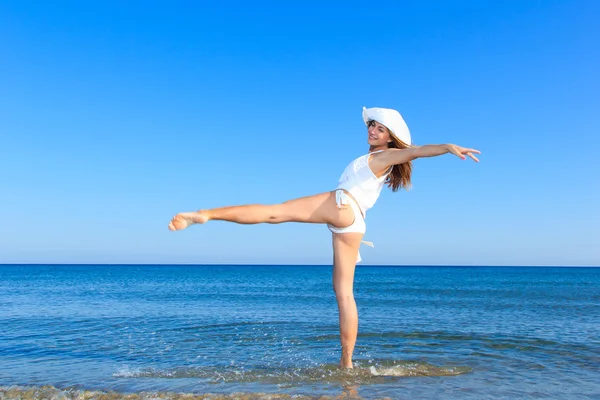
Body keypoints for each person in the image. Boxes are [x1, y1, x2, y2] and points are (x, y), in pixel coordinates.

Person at [168, 106, 480, 369]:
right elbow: (410, 154)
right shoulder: (376, 160)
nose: (372, 130)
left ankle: (206, 214)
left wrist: (447, 147)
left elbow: (414, 152)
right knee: (344, 294)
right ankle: (347, 363)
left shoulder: (385, 156)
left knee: (275, 212)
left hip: (342, 205)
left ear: (389, 138)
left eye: (380, 128)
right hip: (353, 222)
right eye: (372, 124)